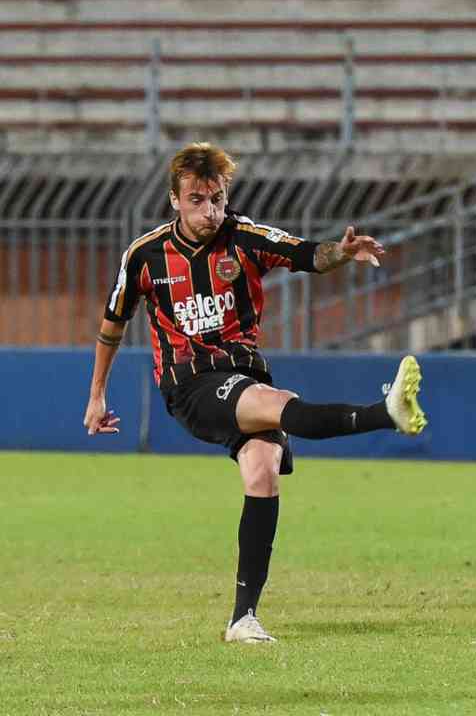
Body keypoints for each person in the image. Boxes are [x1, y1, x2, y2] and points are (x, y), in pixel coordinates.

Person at [83, 142, 428, 644]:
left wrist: (343, 252)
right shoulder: (144, 255)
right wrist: (96, 396)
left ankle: (242, 618)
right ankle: (386, 412)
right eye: (198, 200)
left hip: (244, 375)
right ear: (174, 200)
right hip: (190, 386)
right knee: (278, 406)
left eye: (217, 199)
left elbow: (306, 253)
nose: (210, 211)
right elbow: (113, 324)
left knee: (263, 472)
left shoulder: (243, 237)